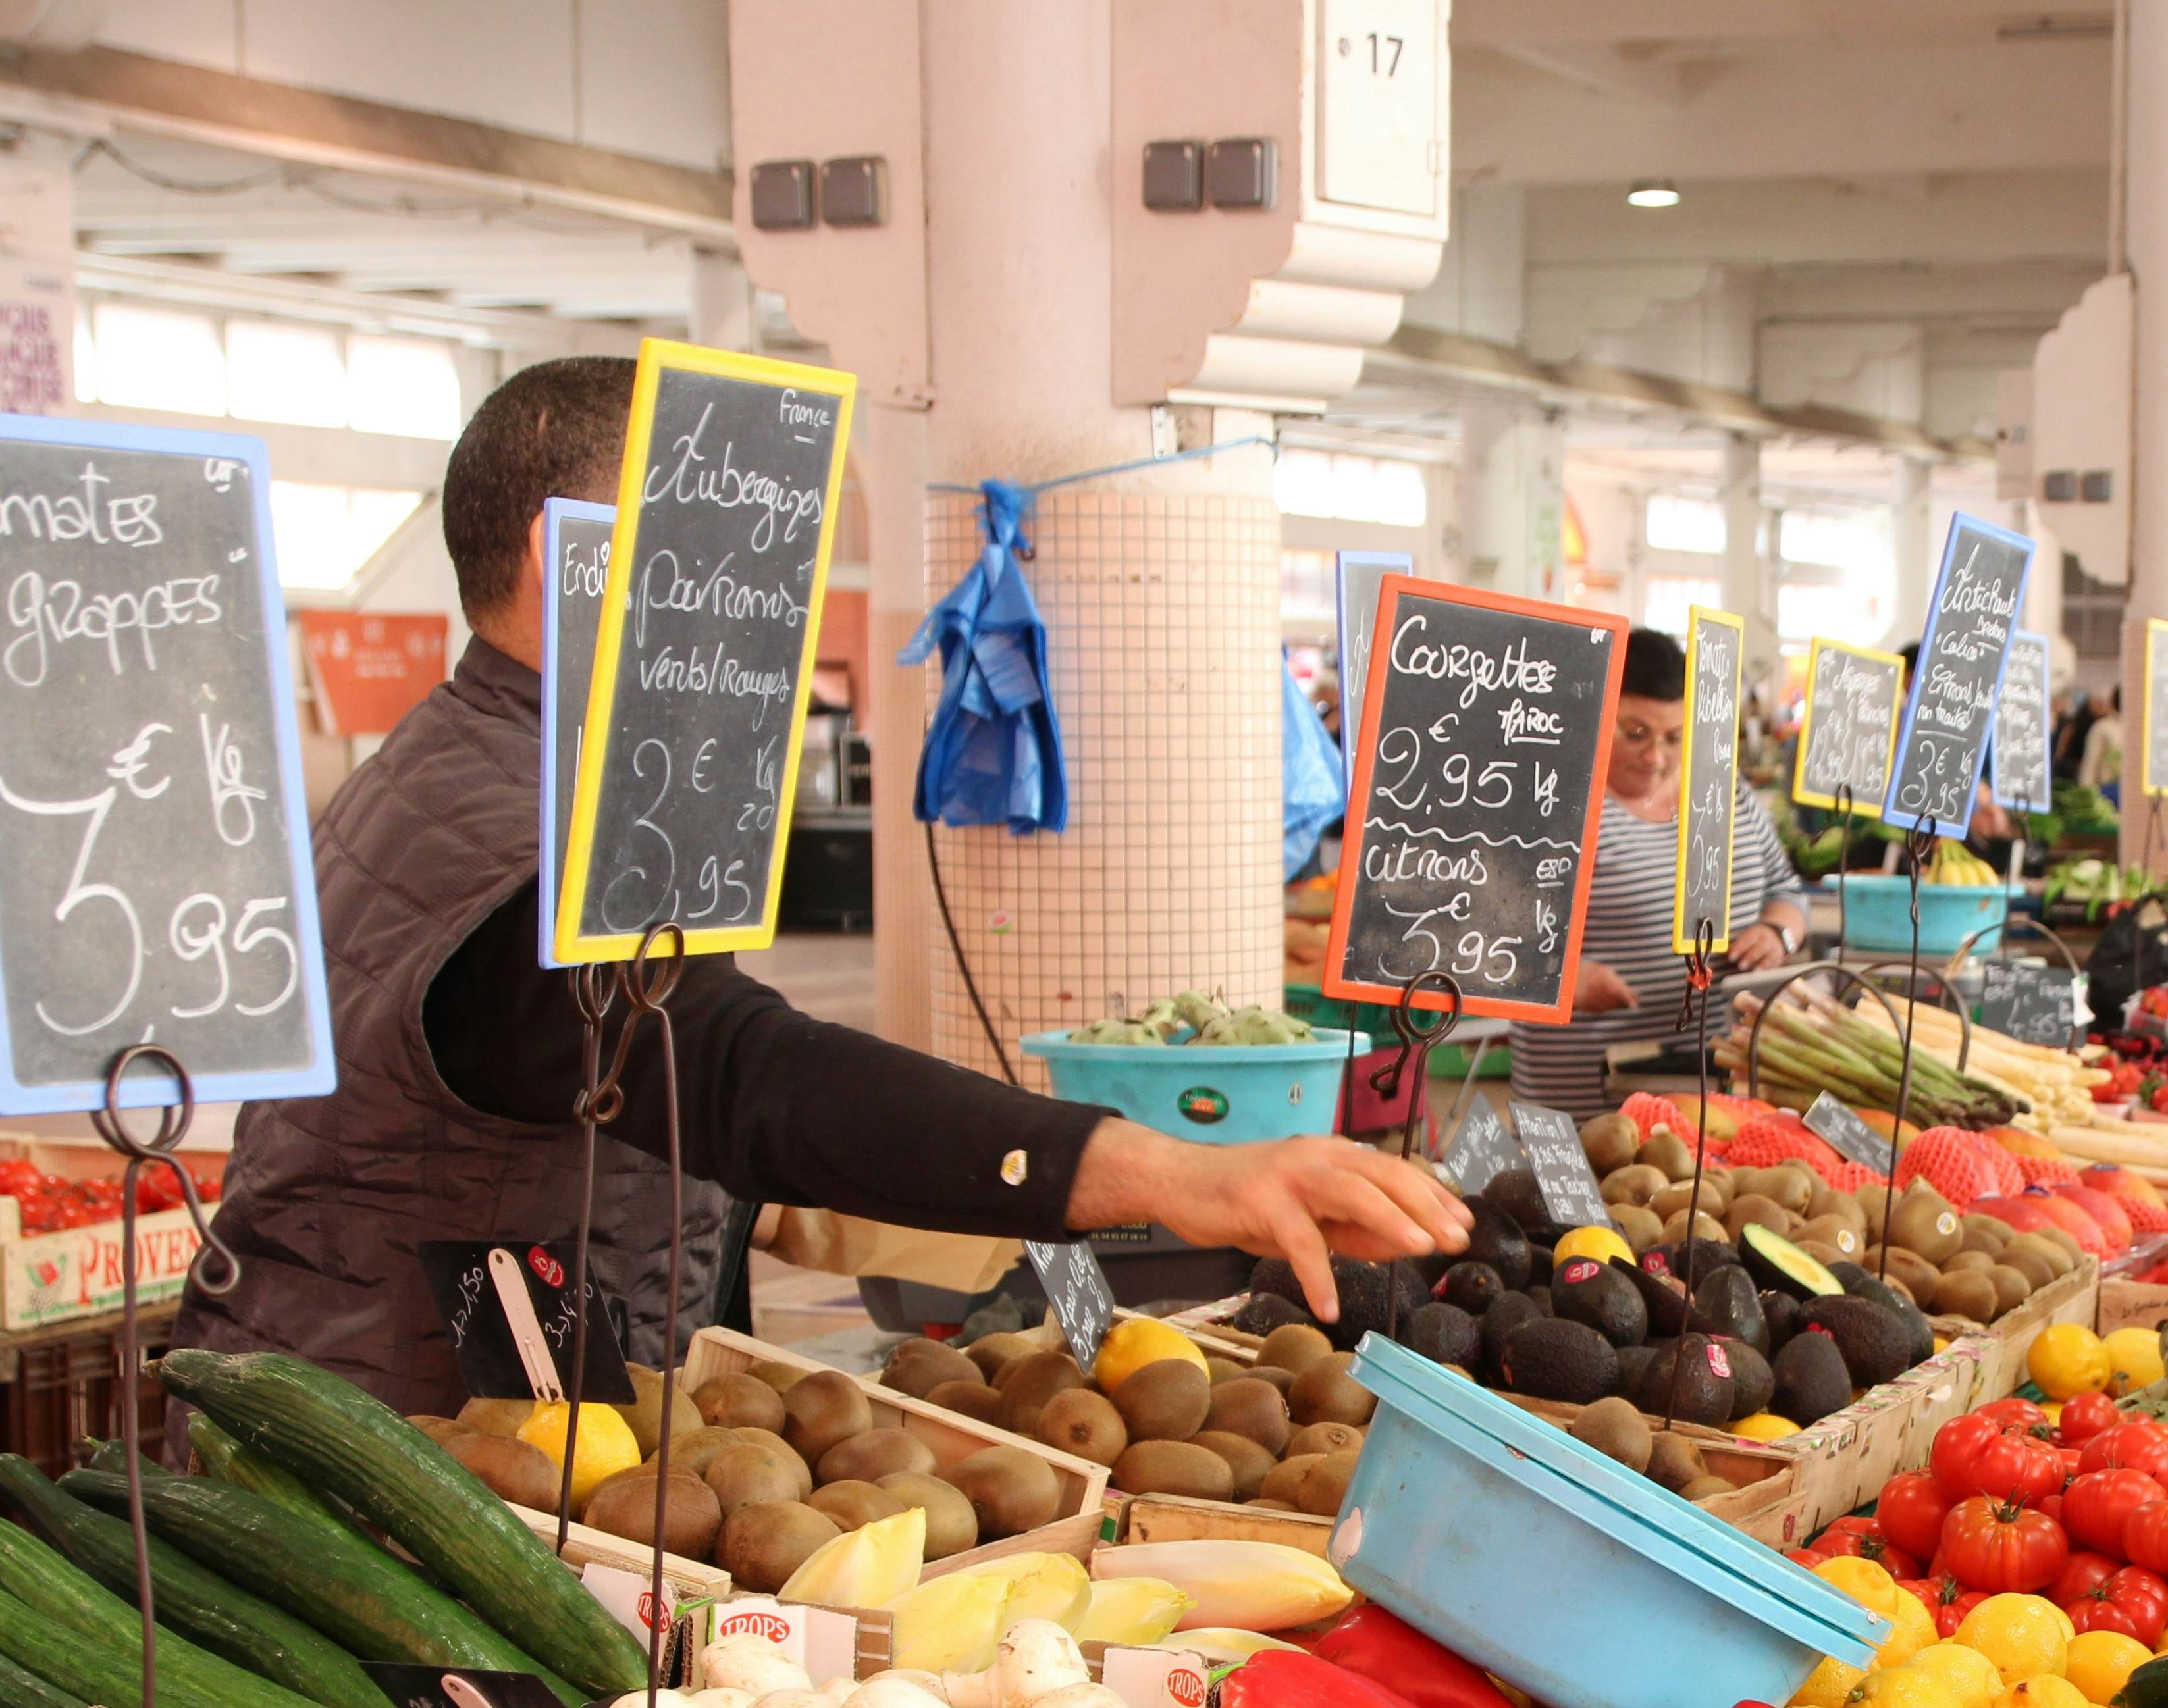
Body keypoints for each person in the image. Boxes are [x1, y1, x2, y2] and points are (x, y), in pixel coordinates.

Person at [178, 358, 1465, 1417]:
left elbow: (663, 1106)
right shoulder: (493, 818)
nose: (748, 607)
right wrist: (1171, 1172)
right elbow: (732, 1071)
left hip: (485, 1406)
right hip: (369, 1450)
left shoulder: (552, 777)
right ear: (556, 553)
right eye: (707, 553)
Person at [1504, 627, 1807, 1120]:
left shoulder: (1725, 793)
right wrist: (1560, 978)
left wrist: (1778, 933)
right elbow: (1487, 939)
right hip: (1587, 1102)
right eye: (1636, 734)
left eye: (1674, 737)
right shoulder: (1553, 804)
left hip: (1716, 1091)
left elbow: (1786, 889)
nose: (1656, 757)